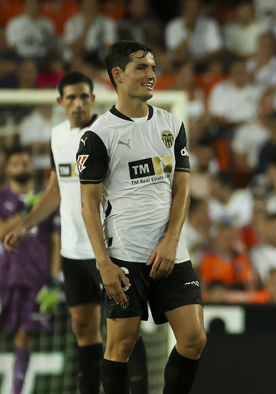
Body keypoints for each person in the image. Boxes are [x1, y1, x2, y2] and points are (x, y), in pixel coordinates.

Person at [4, 71, 149, 394]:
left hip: (109, 253)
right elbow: (55, 190)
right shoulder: (58, 136)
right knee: (84, 330)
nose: (78, 103)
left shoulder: (109, 133)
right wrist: (23, 226)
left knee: (125, 335)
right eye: (71, 97)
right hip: (72, 252)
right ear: (60, 102)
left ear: (93, 99)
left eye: (84, 96)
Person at [76, 41, 206, 394]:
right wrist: (103, 261)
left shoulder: (171, 124)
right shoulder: (98, 135)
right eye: (141, 67)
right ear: (117, 75)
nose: (151, 74)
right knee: (122, 344)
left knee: (194, 338)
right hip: (125, 255)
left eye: (152, 67)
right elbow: (87, 204)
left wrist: (171, 241)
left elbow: (183, 189)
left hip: (170, 251)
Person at [0, 146, 60, 394]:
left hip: (35, 277)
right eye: (16, 164)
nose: (21, 168)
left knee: (26, 334)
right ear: (7, 169)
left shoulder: (46, 198)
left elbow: (56, 241)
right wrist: (27, 212)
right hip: (3, 277)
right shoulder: (2, 198)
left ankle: (16, 391)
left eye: (25, 163)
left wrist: (54, 279)